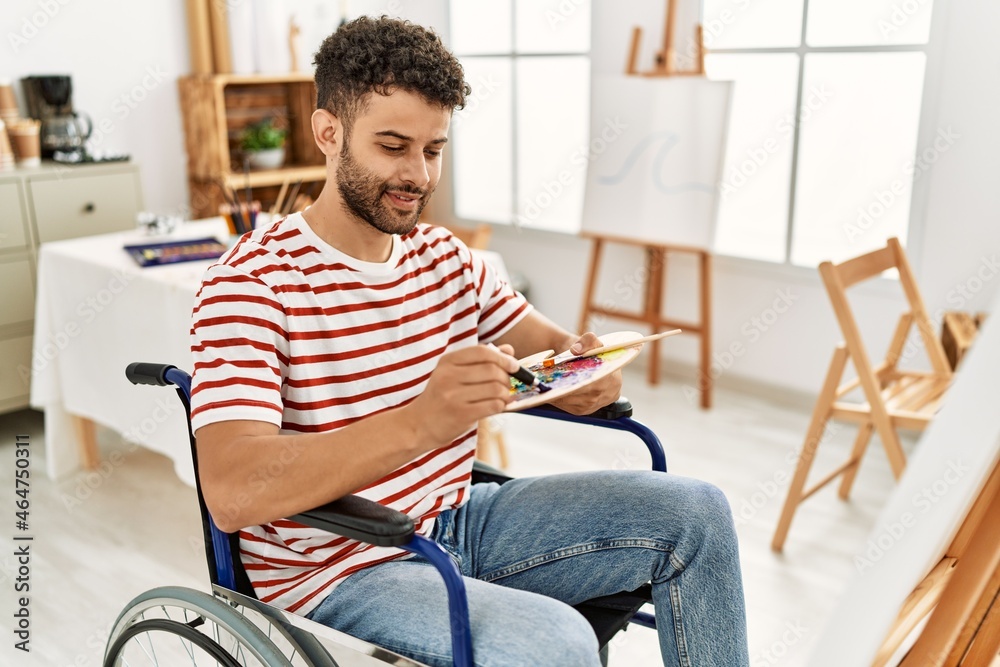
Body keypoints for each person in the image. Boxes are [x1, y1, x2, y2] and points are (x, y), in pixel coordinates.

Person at [190, 16, 749, 667]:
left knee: (698, 513)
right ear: (328, 132)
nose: (419, 175)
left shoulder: (447, 259)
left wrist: (587, 373)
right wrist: (424, 420)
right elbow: (232, 490)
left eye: (432, 149)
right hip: (340, 571)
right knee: (559, 645)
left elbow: (554, 349)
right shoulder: (252, 282)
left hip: (458, 518)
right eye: (393, 146)